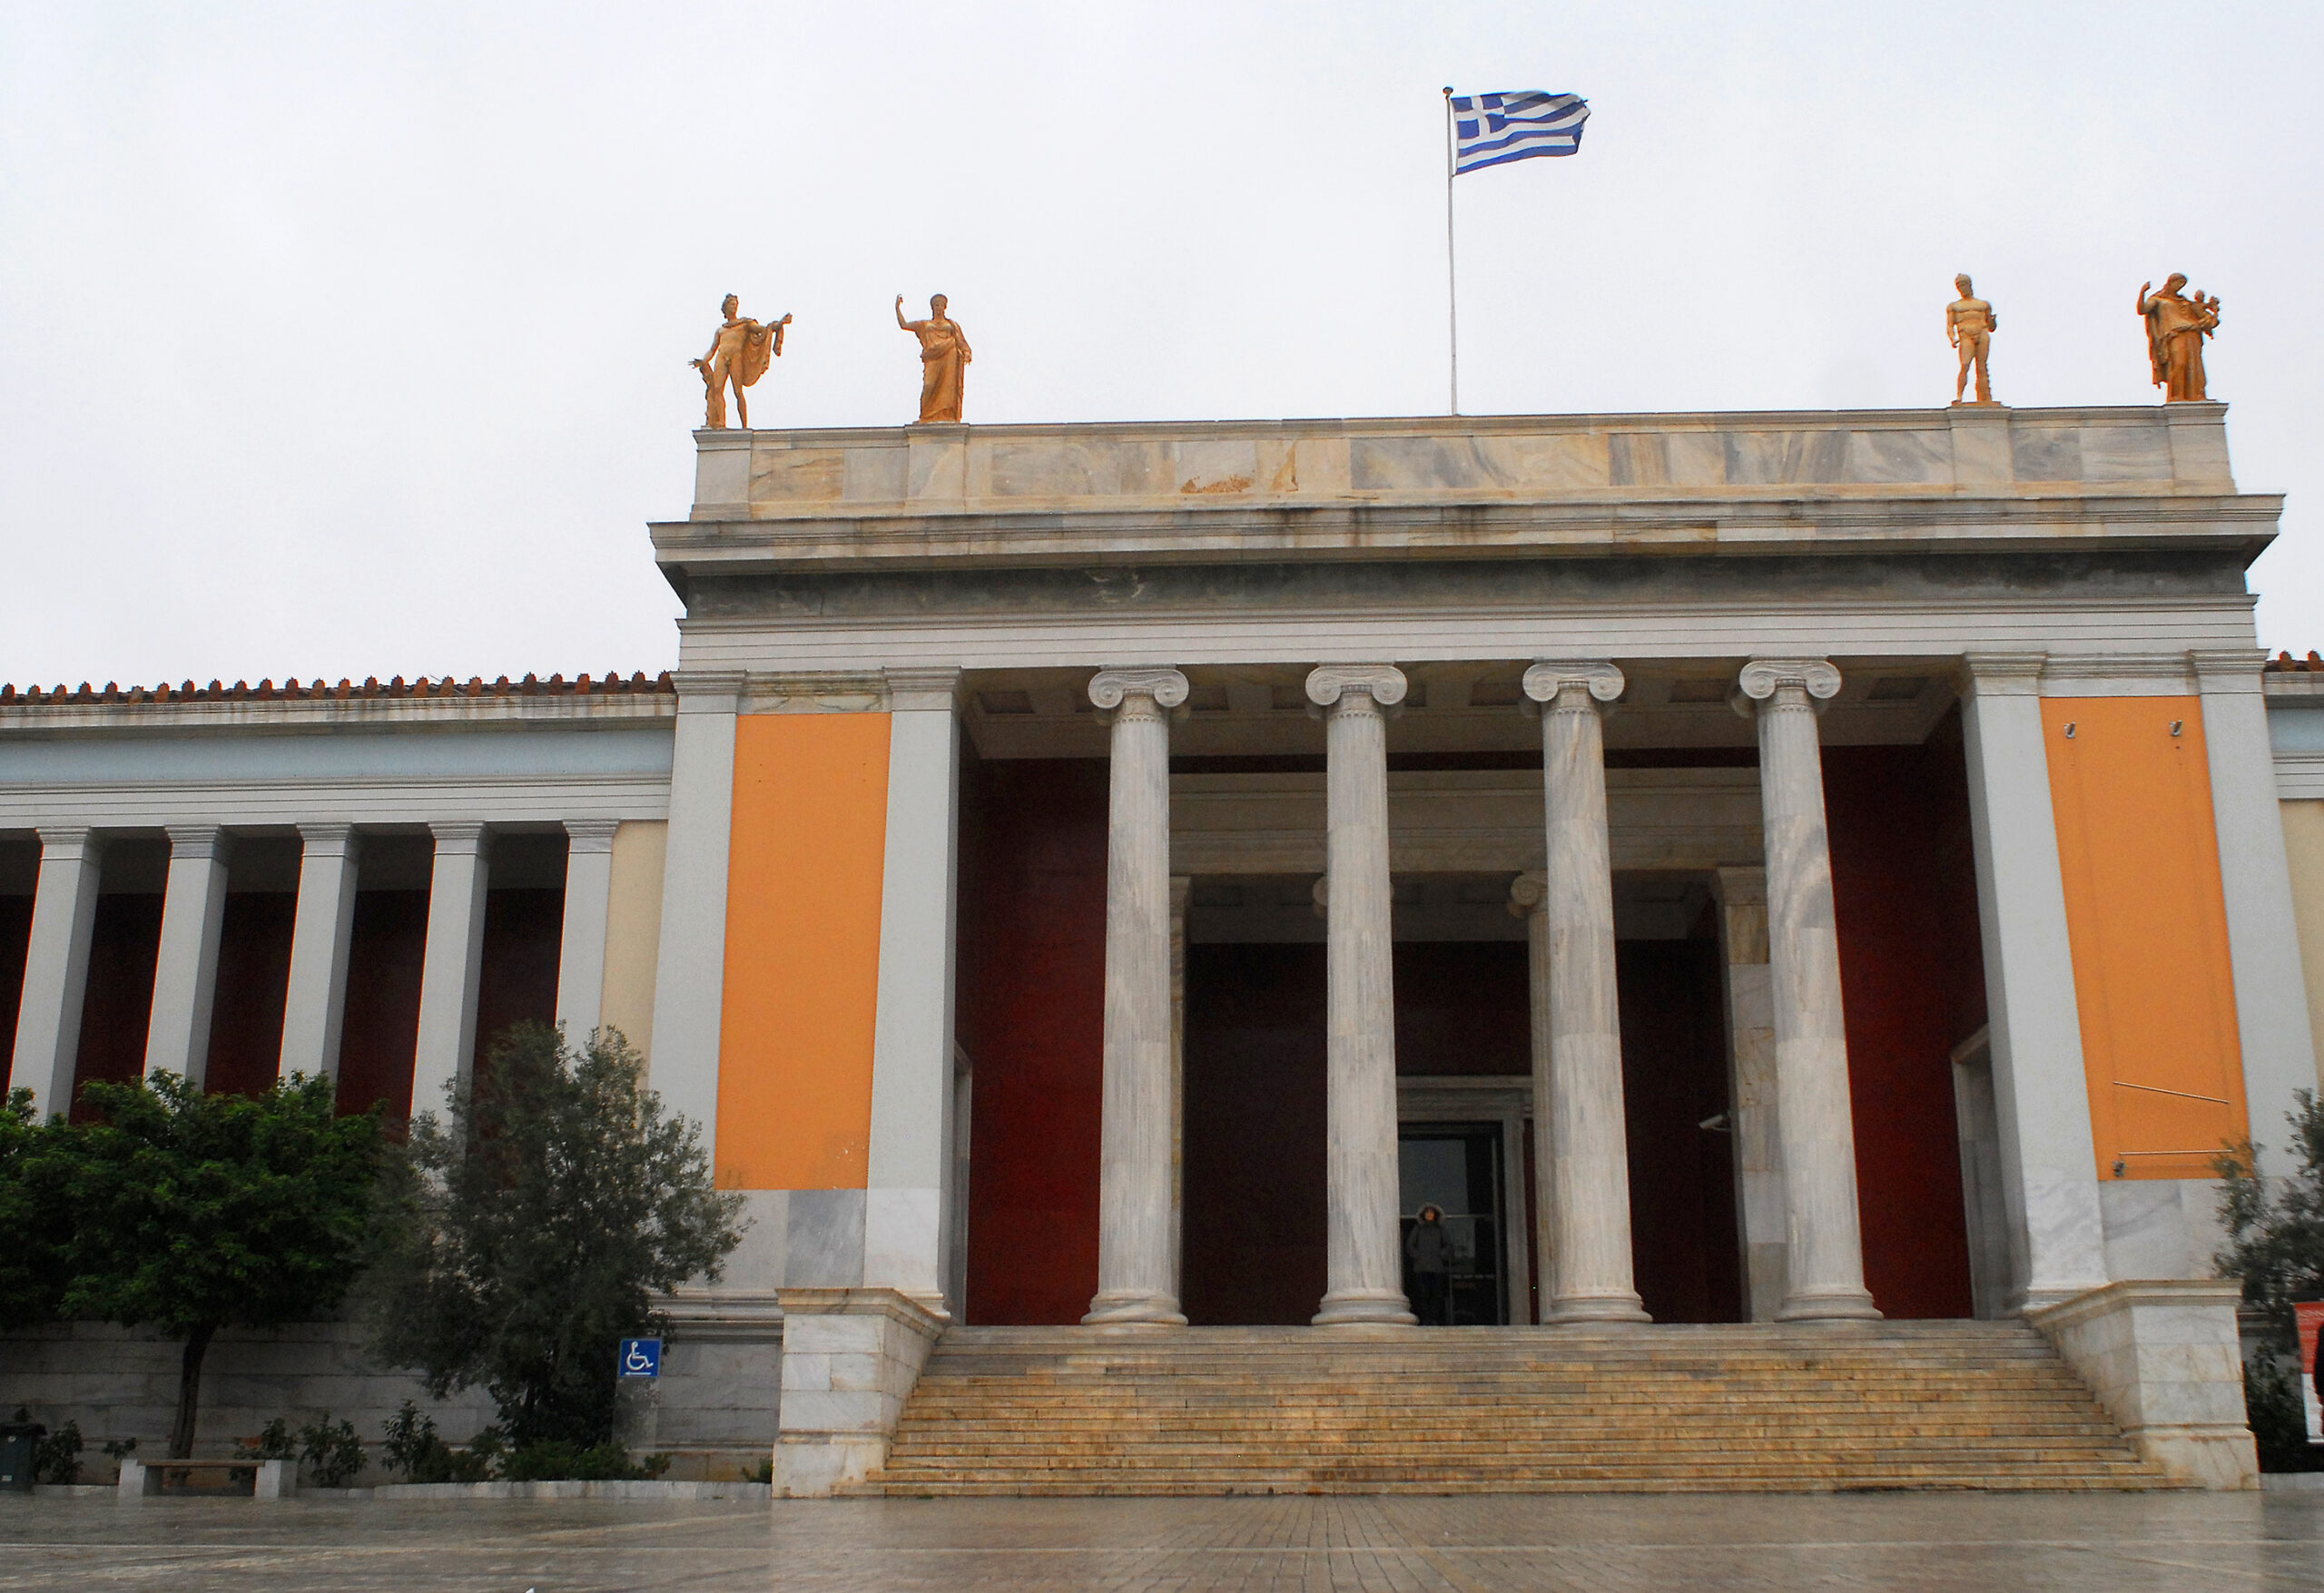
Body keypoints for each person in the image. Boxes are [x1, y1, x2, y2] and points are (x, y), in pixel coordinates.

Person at [690, 295, 790, 428]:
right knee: (717, 390)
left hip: (736, 357)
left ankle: (744, 425)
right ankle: (721, 422)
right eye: (731, 304)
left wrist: (780, 324)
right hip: (722, 357)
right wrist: (703, 361)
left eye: (735, 304)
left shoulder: (744, 324)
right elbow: (712, 350)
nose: (734, 306)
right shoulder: (721, 330)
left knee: (738, 391)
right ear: (725, 308)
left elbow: (764, 329)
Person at [2136, 274, 2221, 402]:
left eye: (2182, 284)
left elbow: (2204, 316)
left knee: (2194, 366)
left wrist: (2213, 311)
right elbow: (2142, 309)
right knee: (2179, 364)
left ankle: (2197, 396)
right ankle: (2176, 396)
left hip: (2193, 334)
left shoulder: (2185, 302)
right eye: (2178, 283)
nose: (2180, 286)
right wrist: (2143, 292)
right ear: (2170, 283)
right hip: (2174, 335)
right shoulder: (2158, 299)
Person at [896, 293, 972, 423]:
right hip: (932, 358)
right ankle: (926, 417)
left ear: (945, 307)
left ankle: (946, 415)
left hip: (950, 355)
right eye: (936, 305)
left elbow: (960, 340)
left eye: (941, 305)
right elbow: (904, 325)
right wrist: (897, 308)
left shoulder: (952, 325)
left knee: (948, 388)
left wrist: (966, 352)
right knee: (929, 386)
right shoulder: (925, 324)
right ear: (932, 307)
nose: (939, 308)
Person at [1946, 274, 1998, 405]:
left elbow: (1991, 327)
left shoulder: (1983, 304)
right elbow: (1950, 325)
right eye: (1959, 286)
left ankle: (1984, 398)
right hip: (1966, 335)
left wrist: (1992, 321)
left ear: (1969, 285)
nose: (1962, 288)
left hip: (1982, 333)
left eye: (1963, 284)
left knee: (1982, 367)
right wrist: (1952, 338)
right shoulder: (1954, 306)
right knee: (1965, 365)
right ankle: (1959, 396)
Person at [1405, 1204, 1453, 1326]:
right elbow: (1410, 1244)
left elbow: (1448, 1245)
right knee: (1423, 1295)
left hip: (1437, 1268)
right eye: (1427, 1212)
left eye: (1431, 1212)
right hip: (1421, 1268)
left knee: (1436, 1295)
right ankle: (1425, 1318)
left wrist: (1441, 1255)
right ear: (1424, 1215)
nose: (1429, 1215)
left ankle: (1435, 1318)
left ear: (1435, 1215)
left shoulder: (1440, 1229)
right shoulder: (1418, 1228)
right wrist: (1417, 1255)